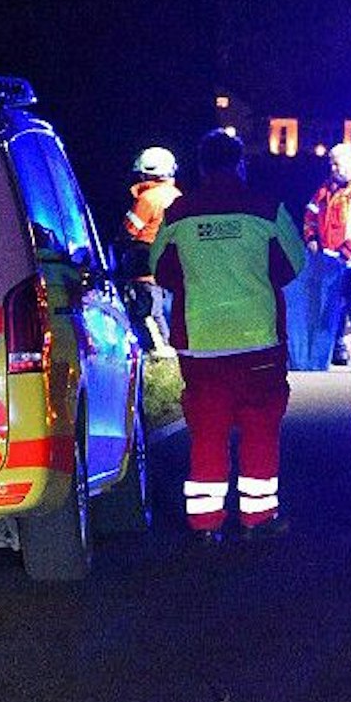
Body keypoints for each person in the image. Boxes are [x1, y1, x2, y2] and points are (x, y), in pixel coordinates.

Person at [151, 130, 306, 544]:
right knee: (259, 427)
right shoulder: (266, 208)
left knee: (207, 429)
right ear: (240, 163)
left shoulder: (177, 214)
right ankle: (258, 519)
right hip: (258, 340)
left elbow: (162, 270)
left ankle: (205, 525)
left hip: (200, 343)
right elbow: (293, 265)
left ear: (201, 167)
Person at [303, 142, 351, 372]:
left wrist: (344, 253)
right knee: (329, 308)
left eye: (336, 163)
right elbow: (310, 217)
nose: (333, 168)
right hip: (328, 262)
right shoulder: (324, 191)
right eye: (331, 163)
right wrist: (311, 239)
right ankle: (337, 349)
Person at [121, 146, 180, 356]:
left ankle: (159, 350)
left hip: (143, 262)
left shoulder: (147, 199)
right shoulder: (176, 195)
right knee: (160, 309)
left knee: (145, 311)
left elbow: (128, 230)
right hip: (169, 261)